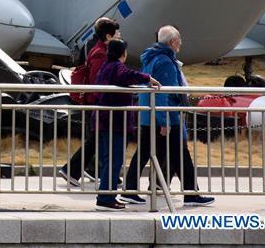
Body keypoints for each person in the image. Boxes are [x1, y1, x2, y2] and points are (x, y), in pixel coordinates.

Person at [121, 25, 215, 207]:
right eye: (179, 40)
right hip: (165, 117)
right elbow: (164, 93)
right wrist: (164, 121)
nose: (181, 43)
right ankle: (190, 194)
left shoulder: (151, 57)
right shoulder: (165, 61)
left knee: (146, 153)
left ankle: (130, 190)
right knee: (180, 154)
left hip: (150, 115)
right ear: (173, 42)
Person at [92, 40, 160, 211]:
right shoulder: (116, 67)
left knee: (110, 160)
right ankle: (106, 198)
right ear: (123, 53)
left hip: (105, 120)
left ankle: (105, 196)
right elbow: (127, 75)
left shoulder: (106, 67)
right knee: (114, 160)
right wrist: (148, 78)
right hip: (114, 122)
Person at [59, 17, 120, 186]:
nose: (120, 35)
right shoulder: (101, 53)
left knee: (98, 139)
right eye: (117, 32)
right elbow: (99, 79)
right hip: (98, 102)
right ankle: (72, 171)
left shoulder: (98, 49)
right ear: (108, 36)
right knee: (96, 139)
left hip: (97, 102)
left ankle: (93, 171)